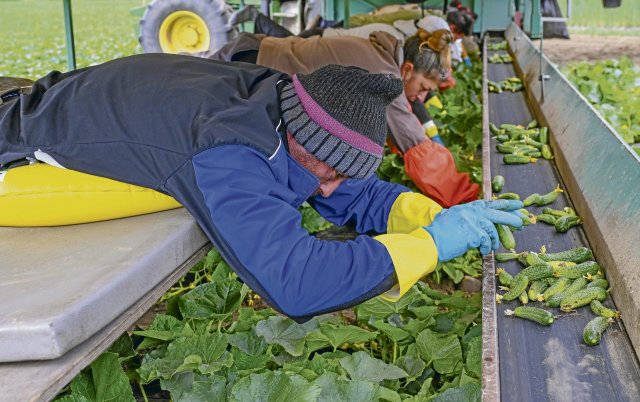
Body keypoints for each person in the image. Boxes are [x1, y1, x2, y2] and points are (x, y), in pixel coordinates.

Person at [0, 55, 524, 322]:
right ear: (305, 140)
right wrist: (430, 248)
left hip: (78, 95)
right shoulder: (230, 152)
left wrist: (430, 215)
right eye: (332, 170)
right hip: (20, 152)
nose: (334, 186)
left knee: (328, 180)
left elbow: (349, 190)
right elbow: (295, 283)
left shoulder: (285, 100)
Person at [203, 28, 479, 207]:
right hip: (248, 67)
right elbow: (414, 144)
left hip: (256, 52)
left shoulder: (383, 52)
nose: (420, 98)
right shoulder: (385, 73)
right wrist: (464, 197)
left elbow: (400, 123)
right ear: (407, 69)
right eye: (423, 89)